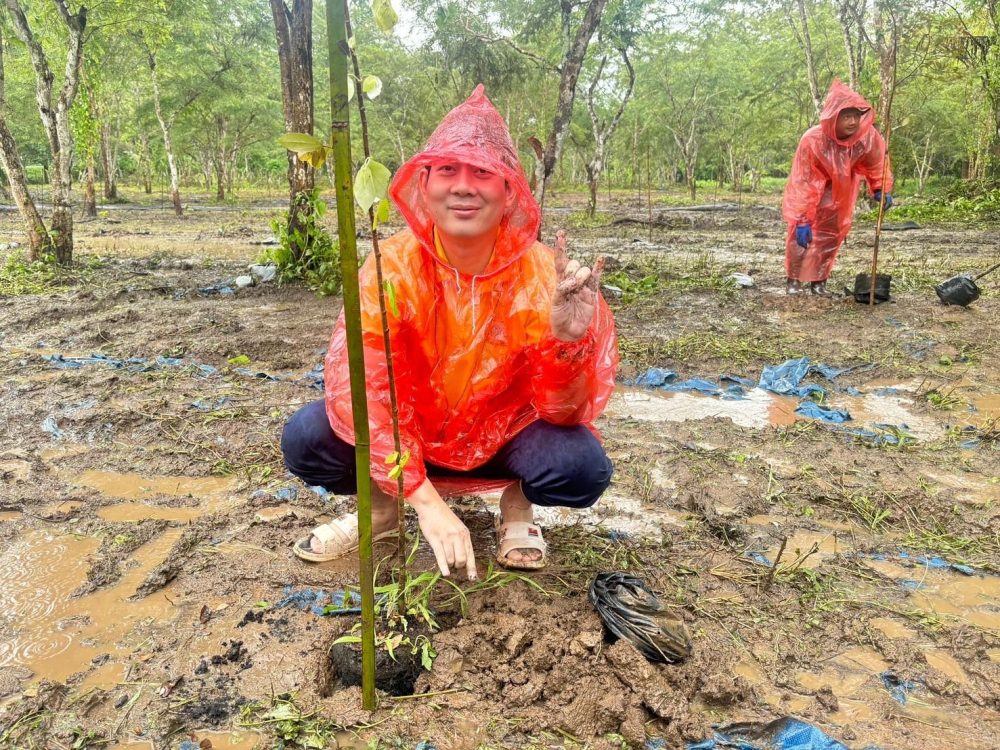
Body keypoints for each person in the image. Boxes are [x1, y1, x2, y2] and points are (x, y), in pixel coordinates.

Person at [280, 85, 618, 579]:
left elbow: (564, 413)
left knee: (579, 464)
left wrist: (569, 345)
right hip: (411, 438)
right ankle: (382, 511)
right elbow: (366, 389)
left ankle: (517, 506)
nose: (463, 187)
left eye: (482, 173)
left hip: (505, 440)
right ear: (423, 184)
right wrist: (424, 500)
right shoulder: (389, 266)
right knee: (308, 436)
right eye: (447, 170)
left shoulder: (547, 278)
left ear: (509, 191)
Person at [782, 80, 894, 296]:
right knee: (801, 237)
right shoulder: (813, 140)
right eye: (846, 116)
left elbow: (877, 161)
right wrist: (802, 217)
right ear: (834, 117)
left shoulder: (866, 137)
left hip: (842, 191)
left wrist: (881, 187)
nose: (853, 122)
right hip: (813, 190)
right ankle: (793, 280)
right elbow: (803, 181)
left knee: (831, 235)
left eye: (856, 116)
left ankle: (818, 281)